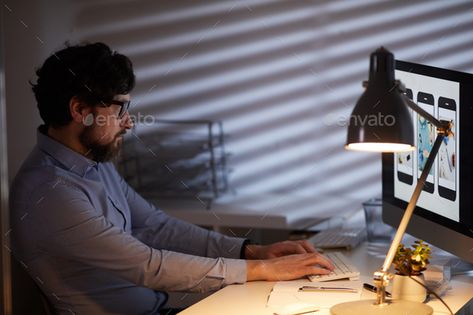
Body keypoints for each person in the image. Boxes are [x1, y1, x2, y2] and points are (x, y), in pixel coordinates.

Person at [9, 42, 334, 315]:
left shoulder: (92, 161)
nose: (129, 123)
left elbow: (155, 227)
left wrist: (251, 252)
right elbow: (147, 265)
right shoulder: (49, 190)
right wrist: (261, 271)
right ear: (80, 110)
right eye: (121, 109)